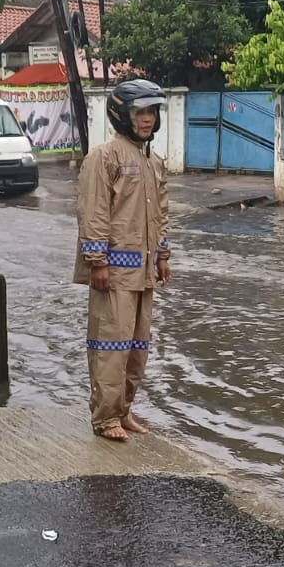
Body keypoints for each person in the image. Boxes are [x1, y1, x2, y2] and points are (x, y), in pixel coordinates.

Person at [75, 79, 171, 441]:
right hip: (114, 271)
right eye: (140, 112)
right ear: (122, 116)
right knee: (110, 347)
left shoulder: (154, 162)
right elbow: (94, 211)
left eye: (152, 112)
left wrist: (163, 255)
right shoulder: (104, 157)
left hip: (144, 272)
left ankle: (124, 410)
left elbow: (161, 212)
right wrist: (97, 261)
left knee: (137, 348)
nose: (147, 119)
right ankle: (104, 418)